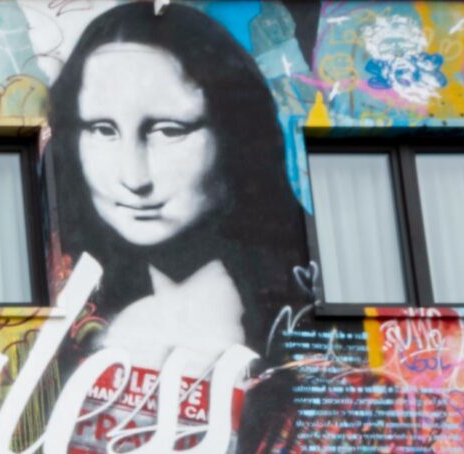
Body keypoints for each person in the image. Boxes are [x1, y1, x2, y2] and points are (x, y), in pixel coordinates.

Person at [47, 2, 305, 373]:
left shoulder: (300, 295)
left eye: (169, 130)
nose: (134, 179)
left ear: (236, 133)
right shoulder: (56, 285)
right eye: (102, 129)